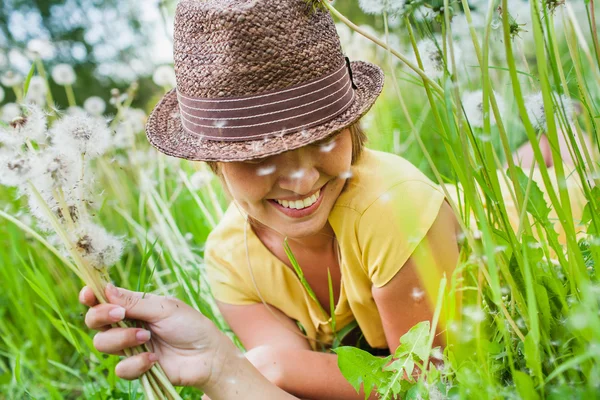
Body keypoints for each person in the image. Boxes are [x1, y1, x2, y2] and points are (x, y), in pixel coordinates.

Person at [80, 0, 590, 398]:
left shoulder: (391, 205)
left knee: (572, 167)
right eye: (260, 155)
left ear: (352, 125)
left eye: (320, 138)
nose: (300, 178)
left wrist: (273, 365)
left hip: (547, 223)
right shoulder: (231, 259)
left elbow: (434, 381)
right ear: (211, 160)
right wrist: (222, 366)